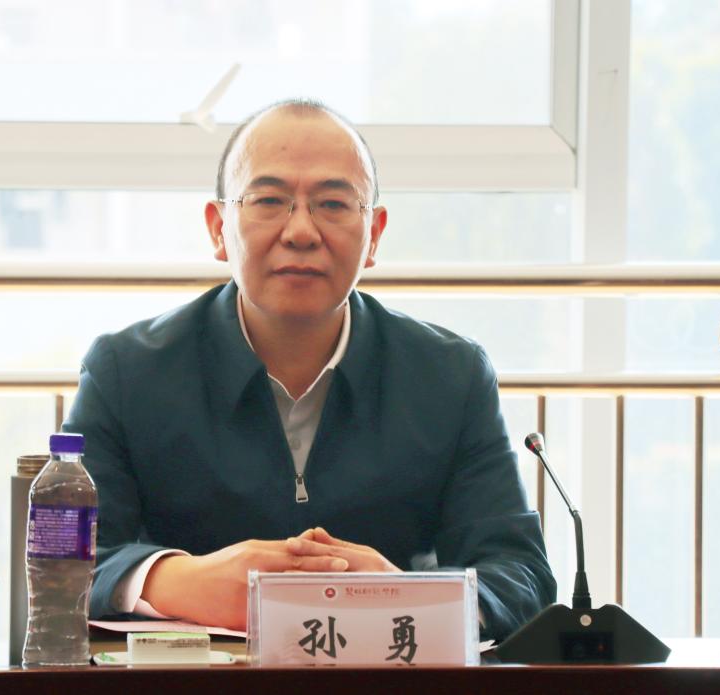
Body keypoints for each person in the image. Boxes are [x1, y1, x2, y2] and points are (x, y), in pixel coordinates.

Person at [64, 99, 555, 641]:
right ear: (218, 228)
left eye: (333, 203)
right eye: (269, 200)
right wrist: (180, 581)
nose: (301, 231)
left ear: (374, 234)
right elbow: (63, 559)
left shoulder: (450, 376)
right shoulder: (126, 371)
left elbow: (521, 576)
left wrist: (404, 593)